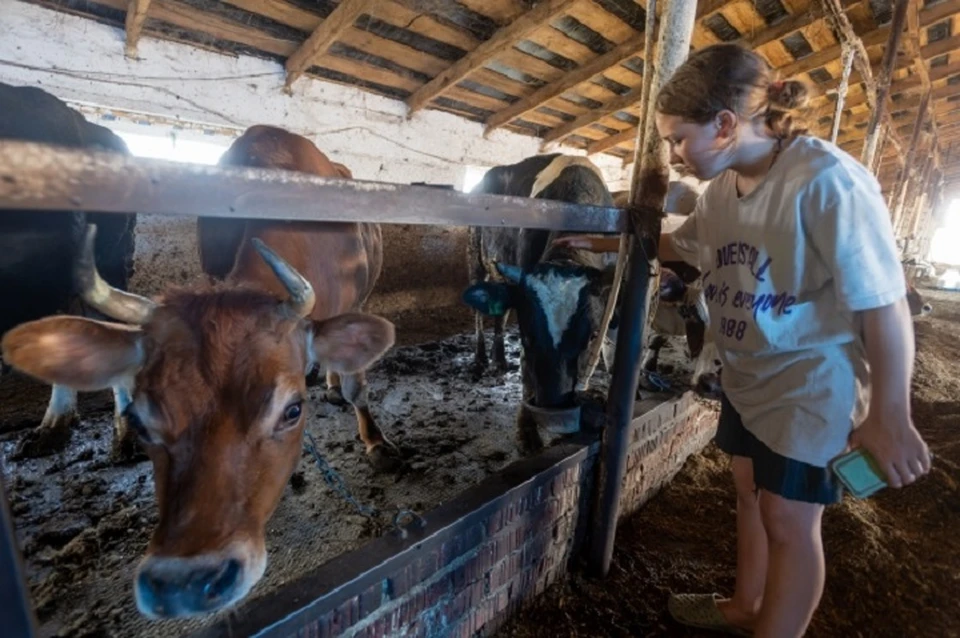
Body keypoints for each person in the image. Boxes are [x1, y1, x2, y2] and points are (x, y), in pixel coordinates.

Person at [555, 43, 931, 638]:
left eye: (678, 138)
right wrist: (598, 242)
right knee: (748, 489)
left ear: (725, 123)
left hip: (811, 382)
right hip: (748, 372)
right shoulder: (720, 191)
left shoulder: (827, 181)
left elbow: (884, 304)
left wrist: (890, 413)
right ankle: (744, 604)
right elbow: (684, 244)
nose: (674, 156)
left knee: (788, 518)